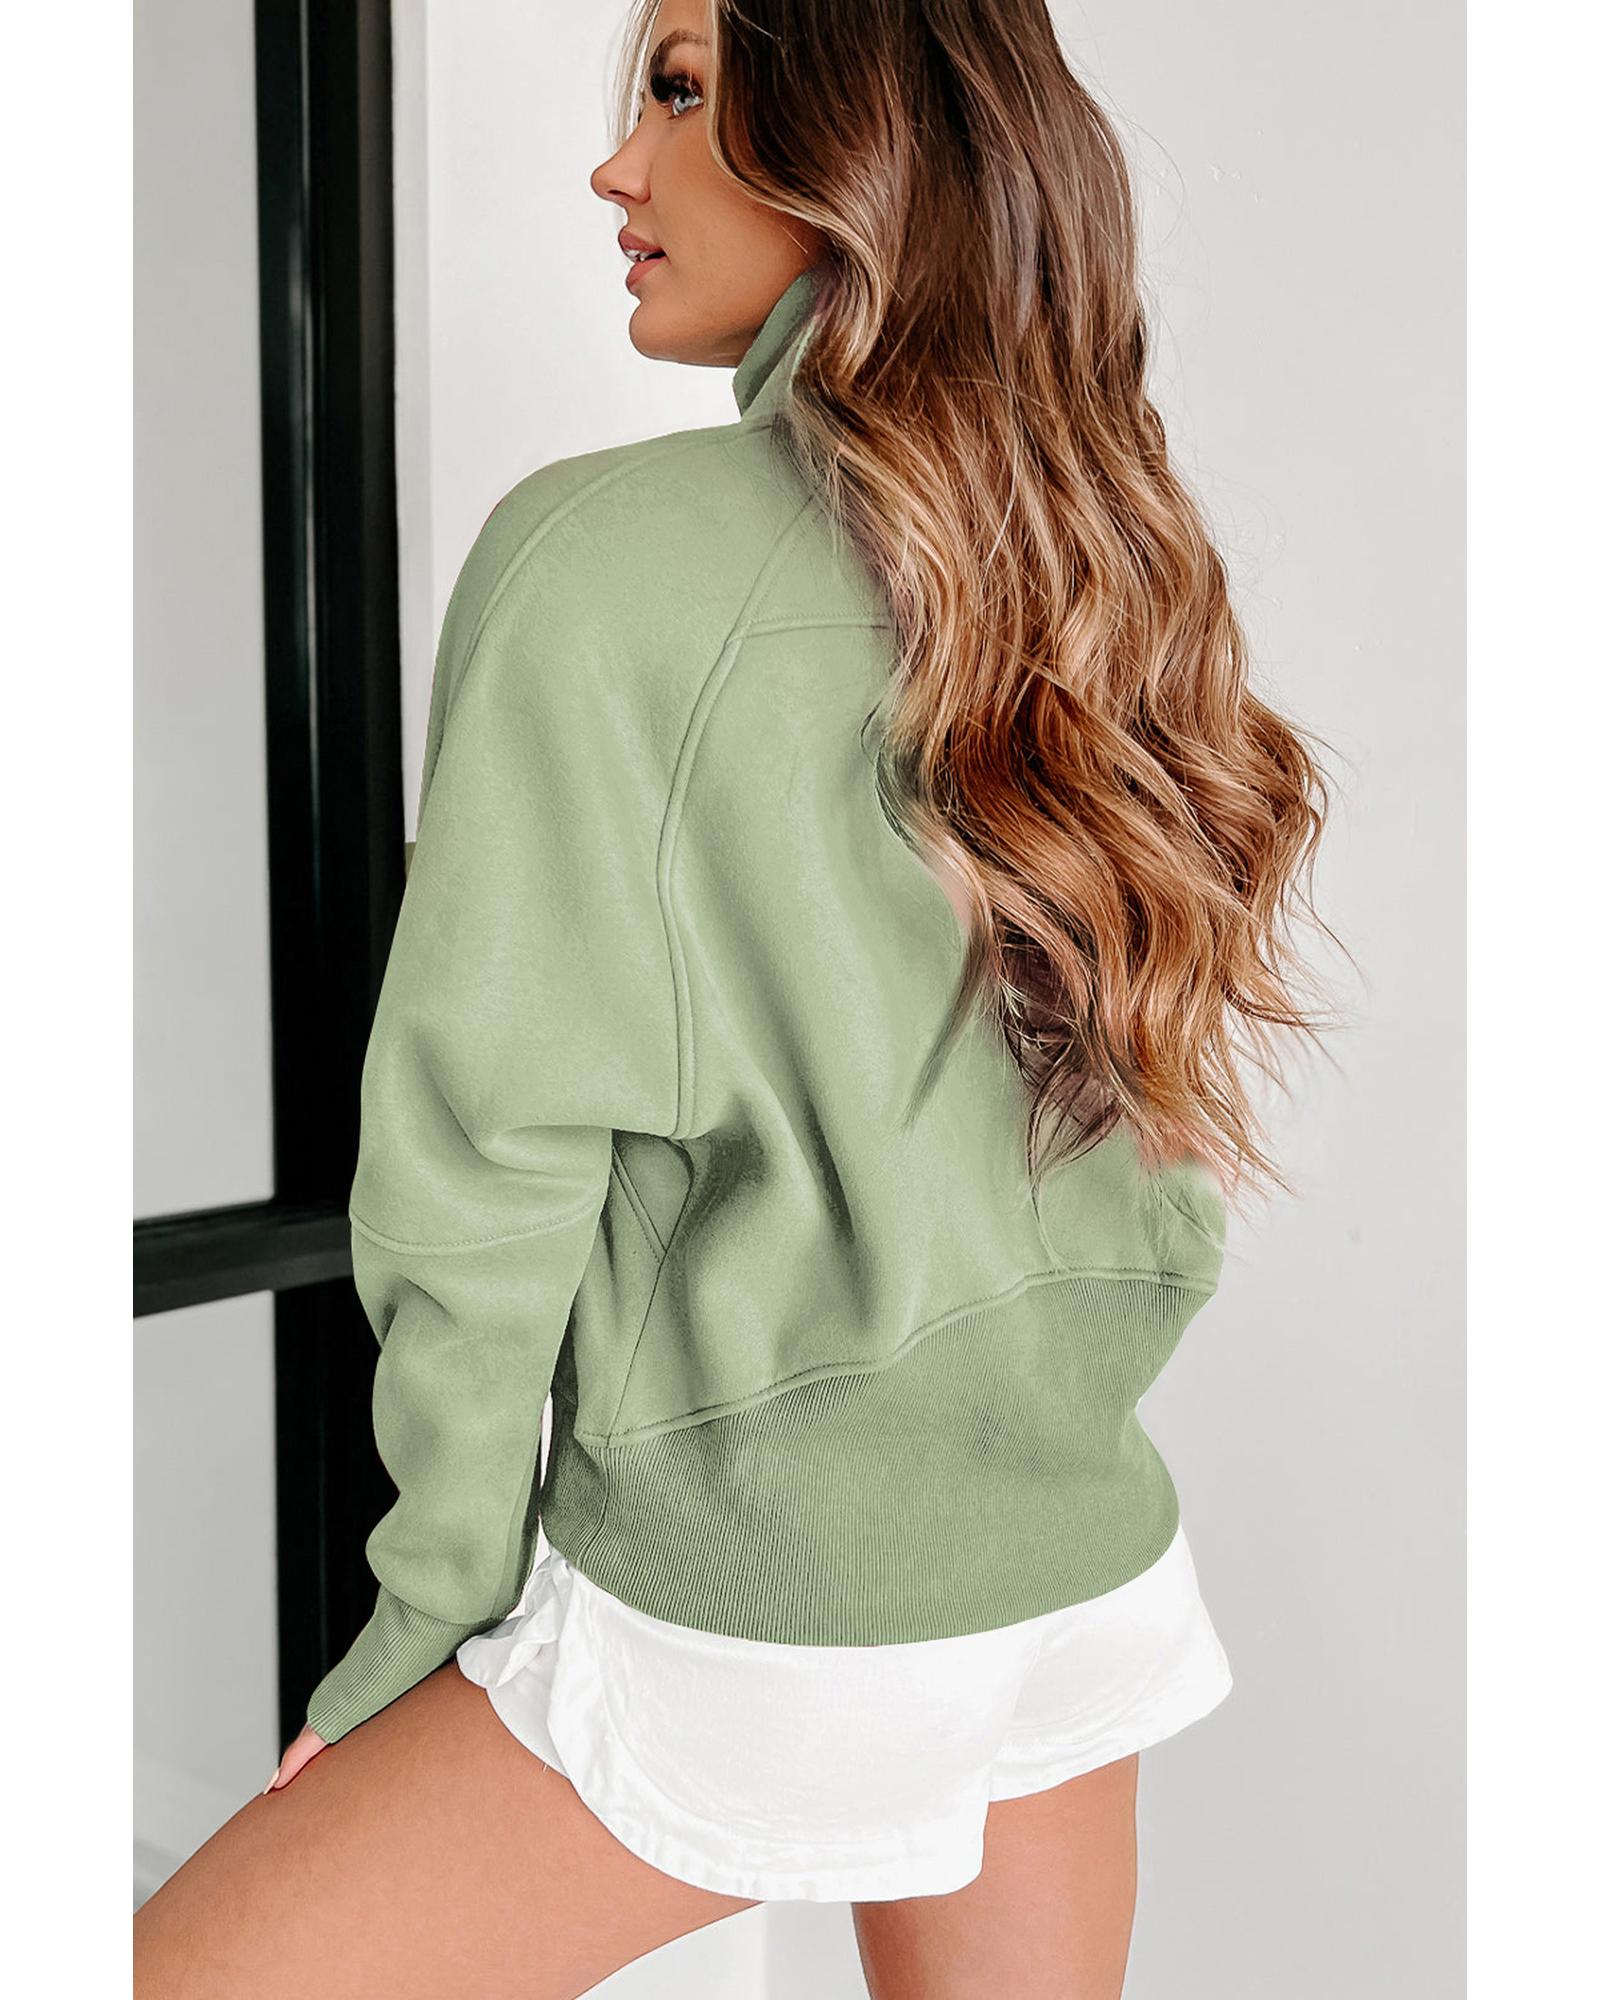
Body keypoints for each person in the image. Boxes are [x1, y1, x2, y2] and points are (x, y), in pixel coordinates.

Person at [134, 1, 1338, 1993]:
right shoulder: (1101, 556)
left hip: (770, 1603)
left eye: (682, 93)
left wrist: (424, 1615)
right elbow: (1139, 1106)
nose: (618, 165)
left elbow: (483, 1169)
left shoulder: (595, 561)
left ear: (861, 140)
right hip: (1075, 1557)